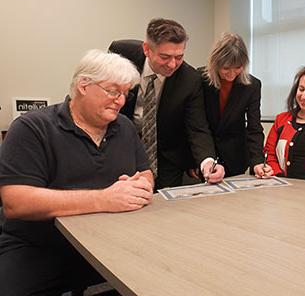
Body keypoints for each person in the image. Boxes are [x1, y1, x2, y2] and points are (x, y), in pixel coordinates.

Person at [0, 50, 154, 295]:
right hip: (41, 246)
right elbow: (16, 202)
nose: (121, 101)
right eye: (113, 91)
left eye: (125, 93)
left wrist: (142, 186)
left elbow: (145, 173)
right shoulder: (31, 128)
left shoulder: (124, 127)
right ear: (84, 85)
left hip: (112, 243)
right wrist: (104, 199)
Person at [109, 18, 225, 189]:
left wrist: (207, 162)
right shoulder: (121, 54)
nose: (172, 64)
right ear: (147, 49)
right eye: (165, 57)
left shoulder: (190, 79)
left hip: (165, 157)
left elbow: (197, 127)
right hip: (121, 148)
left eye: (179, 57)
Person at [200, 32, 265, 176]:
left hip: (235, 157)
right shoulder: (200, 80)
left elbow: (254, 128)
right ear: (215, 63)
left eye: (238, 67)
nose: (232, 73)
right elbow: (196, 125)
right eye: (226, 68)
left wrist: (257, 161)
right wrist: (199, 160)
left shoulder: (252, 85)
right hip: (205, 155)